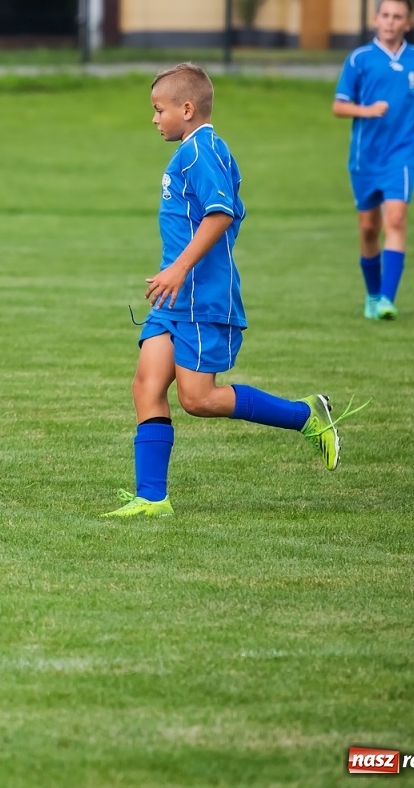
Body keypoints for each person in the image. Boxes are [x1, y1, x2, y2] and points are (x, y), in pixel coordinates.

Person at [106, 63, 358, 519]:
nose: (154, 118)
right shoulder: (190, 151)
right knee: (146, 384)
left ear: (187, 108)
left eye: (159, 110)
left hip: (202, 296)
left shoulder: (204, 152)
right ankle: (151, 498)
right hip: (174, 297)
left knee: (198, 399)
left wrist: (179, 268)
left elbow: (220, 213)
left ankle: (307, 416)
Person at [332, 0, 414, 320]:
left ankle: (387, 300)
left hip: (402, 153)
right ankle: (373, 295)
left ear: (408, 23)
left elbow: (411, 90)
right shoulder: (359, 59)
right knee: (367, 228)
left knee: (396, 219)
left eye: (397, 17)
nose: (390, 22)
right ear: (376, 19)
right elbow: (339, 106)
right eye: (385, 15)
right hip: (365, 158)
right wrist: (367, 110)